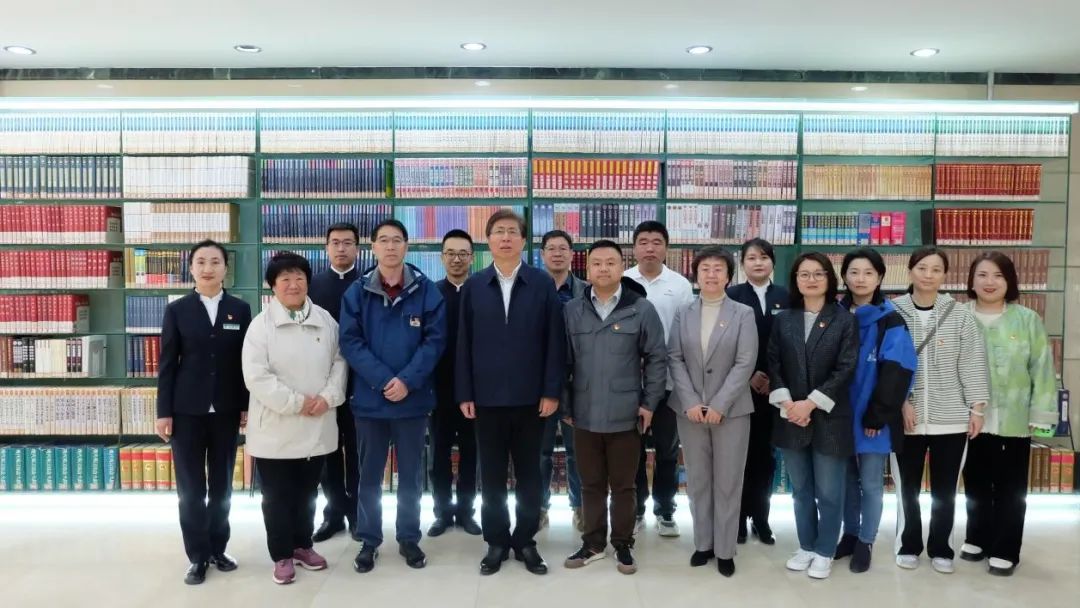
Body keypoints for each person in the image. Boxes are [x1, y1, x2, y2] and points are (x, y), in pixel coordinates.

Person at [457, 209, 566, 576]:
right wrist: (465, 393)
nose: (505, 237)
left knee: (530, 475)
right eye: (498, 232)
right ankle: (496, 540)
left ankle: (525, 540)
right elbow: (463, 343)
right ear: (488, 241)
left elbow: (554, 342)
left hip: (531, 399)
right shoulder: (474, 286)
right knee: (490, 476)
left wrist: (551, 390)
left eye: (512, 232)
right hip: (486, 399)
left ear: (523, 240)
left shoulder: (541, 283)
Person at [339, 219, 447, 573]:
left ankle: (409, 537)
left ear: (406, 246)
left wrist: (407, 381)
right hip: (370, 401)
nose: (390, 246)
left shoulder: (426, 290)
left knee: (411, 476)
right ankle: (369, 539)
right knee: (369, 476)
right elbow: (350, 342)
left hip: (413, 401)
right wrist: (385, 380)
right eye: (383, 240)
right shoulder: (356, 292)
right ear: (372, 247)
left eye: (396, 240)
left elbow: (435, 342)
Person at [241, 252, 348, 585]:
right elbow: (256, 376)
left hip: (317, 423)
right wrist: (297, 403)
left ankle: (303, 545)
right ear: (272, 285)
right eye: (284, 278)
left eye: (299, 277)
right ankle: (282, 555)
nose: (293, 284)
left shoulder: (326, 320)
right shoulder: (260, 326)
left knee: (308, 493)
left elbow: (340, 362)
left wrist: (328, 397)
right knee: (276, 497)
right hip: (276, 429)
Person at [561, 240, 666, 575]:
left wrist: (649, 403)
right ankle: (592, 543)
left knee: (624, 485)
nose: (603, 269)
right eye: (596, 263)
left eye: (610, 262)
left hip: (626, 412)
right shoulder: (572, 310)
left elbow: (657, 358)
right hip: (584, 412)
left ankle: (622, 544)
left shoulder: (641, 309)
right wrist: (566, 404)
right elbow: (563, 362)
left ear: (622, 267)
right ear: (587, 269)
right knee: (590, 483)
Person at [155, 239, 251, 585]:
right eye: (201, 262)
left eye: (215, 261)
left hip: (226, 410)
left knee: (222, 486)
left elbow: (245, 363)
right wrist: (163, 411)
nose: (208, 268)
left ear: (226, 268)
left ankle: (218, 548)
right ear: (192, 268)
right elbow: (167, 364)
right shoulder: (177, 310)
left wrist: (245, 404)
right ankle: (197, 556)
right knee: (191, 490)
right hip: (186, 412)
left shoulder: (240, 309)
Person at [891, 246, 989, 575]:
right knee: (907, 488)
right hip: (906, 418)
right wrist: (901, 402)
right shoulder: (893, 311)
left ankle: (941, 547)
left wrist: (976, 409)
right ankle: (908, 544)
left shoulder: (960, 314)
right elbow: (888, 367)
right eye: (922, 268)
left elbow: (972, 363)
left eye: (936, 269)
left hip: (952, 418)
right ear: (910, 271)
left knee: (946, 489)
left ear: (945, 275)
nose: (928, 275)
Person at [960, 251, 1057, 576]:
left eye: (998, 275)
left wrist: (1041, 415)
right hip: (967, 418)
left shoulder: (1027, 319)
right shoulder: (959, 316)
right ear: (971, 280)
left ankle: (1005, 548)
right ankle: (977, 536)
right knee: (974, 482)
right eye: (982, 275)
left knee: (1010, 488)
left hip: (1014, 419)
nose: (989, 282)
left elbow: (1042, 368)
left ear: (1010, 281)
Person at [769, 252, 858, 580]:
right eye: (804, 274)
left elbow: (846, 368)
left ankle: (825, 550)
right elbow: (773, 363)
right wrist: (789, 404)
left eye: (818, 274)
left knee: (830, 493)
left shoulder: (844, 320)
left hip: (830, 419)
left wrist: (810, 404)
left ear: (829, 279)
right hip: (790, 416)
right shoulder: (784, 319)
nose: (811, 279)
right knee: (801, 490)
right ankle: (806, 545)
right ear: (795, 280)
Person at [669, 246, 758, 577]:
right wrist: (691, 401)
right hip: (690, 411)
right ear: (696, 275)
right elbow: (674, 357)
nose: (711, 274)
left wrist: (720, 404)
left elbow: (745, 362)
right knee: (698, 480)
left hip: (732, 411)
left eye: (718, 268)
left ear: (729, 276)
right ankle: (703, 544)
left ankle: (725, 550)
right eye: (705, 268)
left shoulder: (743, 313)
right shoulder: (683, 313)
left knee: (728, 481)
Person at [833, 248, 917, 574]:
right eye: (854, 272)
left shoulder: (890, 319)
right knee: (845, 481)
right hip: (837, 415)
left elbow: (899, 369)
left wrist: (878, 414)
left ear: (880, 277)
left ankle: (866, 541)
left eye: (868, 272)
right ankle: (850, 534)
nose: (860, 279)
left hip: (872, 415)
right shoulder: (834, 314)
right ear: (844, 276)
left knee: (870, 482)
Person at [625, 220, 694, 537]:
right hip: (630, 383)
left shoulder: (679, 285)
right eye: (643, 242)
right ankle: (636, 509)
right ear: (634, 247)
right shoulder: (623, 280)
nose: (650, 248)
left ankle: (666, 510)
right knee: (633, 451)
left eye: (656, 242)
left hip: (668, 383)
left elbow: (685, 334)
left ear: (666, 248)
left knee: (667, 450)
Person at [726, 237, 788, 545]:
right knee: (738, 456)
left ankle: (761, 519)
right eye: (751, 258)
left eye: (764, 257)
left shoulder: (786, 296)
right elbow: (725, 345)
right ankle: (737, 519)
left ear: (772, 262)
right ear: (742, 264)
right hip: (739, 389)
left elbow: (791, 344)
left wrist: (774, 378)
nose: (758, 262)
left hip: (775, 391)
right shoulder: (731, 295)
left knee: (766, 458)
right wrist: (749, 375)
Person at [308, 222, 361, 543]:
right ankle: (333, 514)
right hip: (321, 383)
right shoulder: (311, 285)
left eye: (348, 243)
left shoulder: (368, 282)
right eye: (336, 243)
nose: (341, 248)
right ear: (326, 248)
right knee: (326, 450)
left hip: (360, 383)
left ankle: (356, 514)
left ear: (358, 248)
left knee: (356, 451)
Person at [428, 229, 482, 537]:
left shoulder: (481, 291)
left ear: (472, 258)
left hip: (475, 390)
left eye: (463, 253)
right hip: (439, 389)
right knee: (439, 453)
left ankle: (466, 511)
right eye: (451, 253)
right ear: (442, 258)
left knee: (471, 452)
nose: (457, 259)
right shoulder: (431, 294)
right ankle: (441, 512)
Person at [539, 229, 586, 531]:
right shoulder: (531, 288)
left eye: (563, 248)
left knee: (577, 452)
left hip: (577, 383)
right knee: (539, 452)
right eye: (551, 249)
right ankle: (539, 507)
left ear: (571, 254)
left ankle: (580, 508)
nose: (557, 253)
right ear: (542, 254)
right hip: (539, 383)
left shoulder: (586, 291)